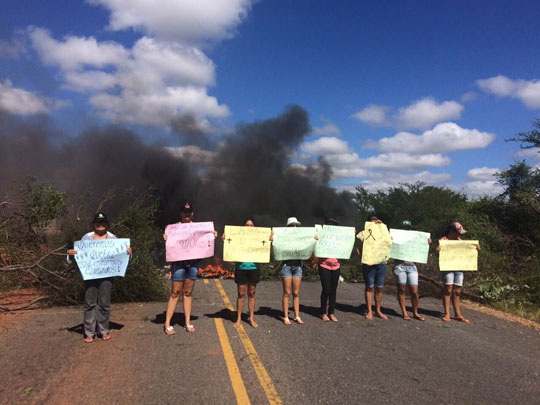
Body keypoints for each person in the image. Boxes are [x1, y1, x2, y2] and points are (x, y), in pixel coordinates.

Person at [67, 212, 132, 343]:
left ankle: (103, 330)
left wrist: (128, 253)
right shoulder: (86, 238)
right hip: (90, 275)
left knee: (105, 304)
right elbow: (77, 257)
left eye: (103, 222)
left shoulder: (113, 238)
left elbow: (121, 257)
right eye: (98, 222)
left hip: (107, 275)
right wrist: (71, 254)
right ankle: (89, 332)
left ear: (106, 224)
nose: (100, 225)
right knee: (89, 303)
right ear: (93, 224)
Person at [163, 203, 216, 335]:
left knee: (188, 293)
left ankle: (187, 322)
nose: (187, 214)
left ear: (192, 213)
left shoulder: (199, 228)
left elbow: (204, 242)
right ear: (181, 213)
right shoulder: (173, 229)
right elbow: (171, 245)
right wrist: (166, 239)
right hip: (179, 264)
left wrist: (211, 235)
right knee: (175, 292)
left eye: (189, 212)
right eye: (184, 212)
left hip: (193, 264)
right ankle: (167, 323)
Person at [437, 222, 480, 323]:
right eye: (458, 232)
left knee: (457, 291)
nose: (460, 234)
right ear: (452, 231)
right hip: (447, 268)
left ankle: (457, 314)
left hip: (459, 268)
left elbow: (466, 253)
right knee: (448, 290)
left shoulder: (460, 241)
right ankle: (447, 313)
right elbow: (438, 255)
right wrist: (437, 250)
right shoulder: (444, 240)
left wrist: (476, 249)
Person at [224, 219, 264, 328]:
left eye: (251, 225)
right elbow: (230, 248)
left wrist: (269, 239)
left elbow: (265, 247)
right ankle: (239, 318)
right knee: (241, 294)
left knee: (251, 293)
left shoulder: (259, 238)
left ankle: (251, 318)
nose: (249, 227)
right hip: (241, 268)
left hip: (254, 268)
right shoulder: (238, 238)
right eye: (247, 225)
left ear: (254, 227)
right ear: (243, 227)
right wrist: (225, 240)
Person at [393, 220, 430, 321]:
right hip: (399, 266)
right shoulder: (396, 237)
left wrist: (426, 243)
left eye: (407, 227)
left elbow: (420, 247)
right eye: (404, 227)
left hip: (412, 266)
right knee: (401, 290)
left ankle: (415, 312)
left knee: (414, 291)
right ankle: (404, 312)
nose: (406, 229)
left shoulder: (414, 237)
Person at [357, 215, 390, 320]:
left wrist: (383, 227)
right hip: (368, 264)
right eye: (372, 221)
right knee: (369, 287)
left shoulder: (384, 233)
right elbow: (357, 246)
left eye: (376, 221)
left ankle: (378, 310)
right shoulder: (363, 233)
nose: (375, 222)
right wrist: (364, 258)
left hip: (381, 263)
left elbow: (390, 243)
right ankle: (369, 311)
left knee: (379, 287)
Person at [315, 218, 341, 322]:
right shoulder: (321, 235)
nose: (331, 226)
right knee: (326, 289)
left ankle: (331, 313)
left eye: (333, 225)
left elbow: (347, 244)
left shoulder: (339, 237)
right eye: (329, 225)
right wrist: (315, 238)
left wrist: (350, 235)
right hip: (324, 265)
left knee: (333, 290)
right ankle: (323, 312)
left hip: (336, 265)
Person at [280, 217, 304, 325]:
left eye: (296, 225)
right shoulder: (283, 237)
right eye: (292, 225)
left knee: (296, 292)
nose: (294, 227)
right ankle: (285, 316)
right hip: (287, 266)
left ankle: (297, 316)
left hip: (297, 266)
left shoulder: (301, 237)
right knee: (287, 292)